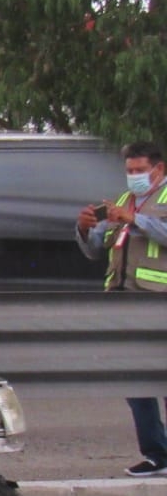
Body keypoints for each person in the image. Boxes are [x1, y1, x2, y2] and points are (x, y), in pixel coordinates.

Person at [76, 140, 167, 477]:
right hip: (125, 303)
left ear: (159, 170)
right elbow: (95, 248)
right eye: (129, 171)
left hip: (160, 301)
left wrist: (136, 220)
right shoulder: (122, 201)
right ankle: (157, 454)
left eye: (140, 170)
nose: (134, 177)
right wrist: (85, 228)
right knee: (136, 382)